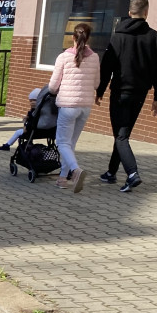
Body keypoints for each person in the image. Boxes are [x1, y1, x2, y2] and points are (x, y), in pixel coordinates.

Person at [95, 0, 157, 192]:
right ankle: (111, 172)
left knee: (121, 135)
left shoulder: (118, 36)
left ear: (129, 13)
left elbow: (107, 66)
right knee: (122, 134)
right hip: (140, 93)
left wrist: (99, 90)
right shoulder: (154, 37)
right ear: (146, 13)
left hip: (120, 92)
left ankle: (132, 174)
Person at [48, 22, 99, 192]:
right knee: (71, 143)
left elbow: (53, 86)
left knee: (62, 142)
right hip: (85, 106)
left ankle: (75, 170)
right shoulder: (95, 57)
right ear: (88, 37)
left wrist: (53, 91)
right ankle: (63, 178)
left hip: (68, 105)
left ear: (73, 37)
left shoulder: (64, 57)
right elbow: (97, 83)